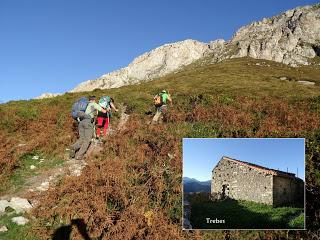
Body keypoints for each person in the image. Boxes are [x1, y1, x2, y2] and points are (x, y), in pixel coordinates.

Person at [69, 96, 107, 160]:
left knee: (82, 138)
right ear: (94, 100)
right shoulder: (93, 104)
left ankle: (74, 147)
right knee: (87, 140)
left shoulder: (84, 106)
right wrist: (106, 110)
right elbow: (103, 111)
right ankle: (79, 155)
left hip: (81, 123)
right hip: (88, 123)